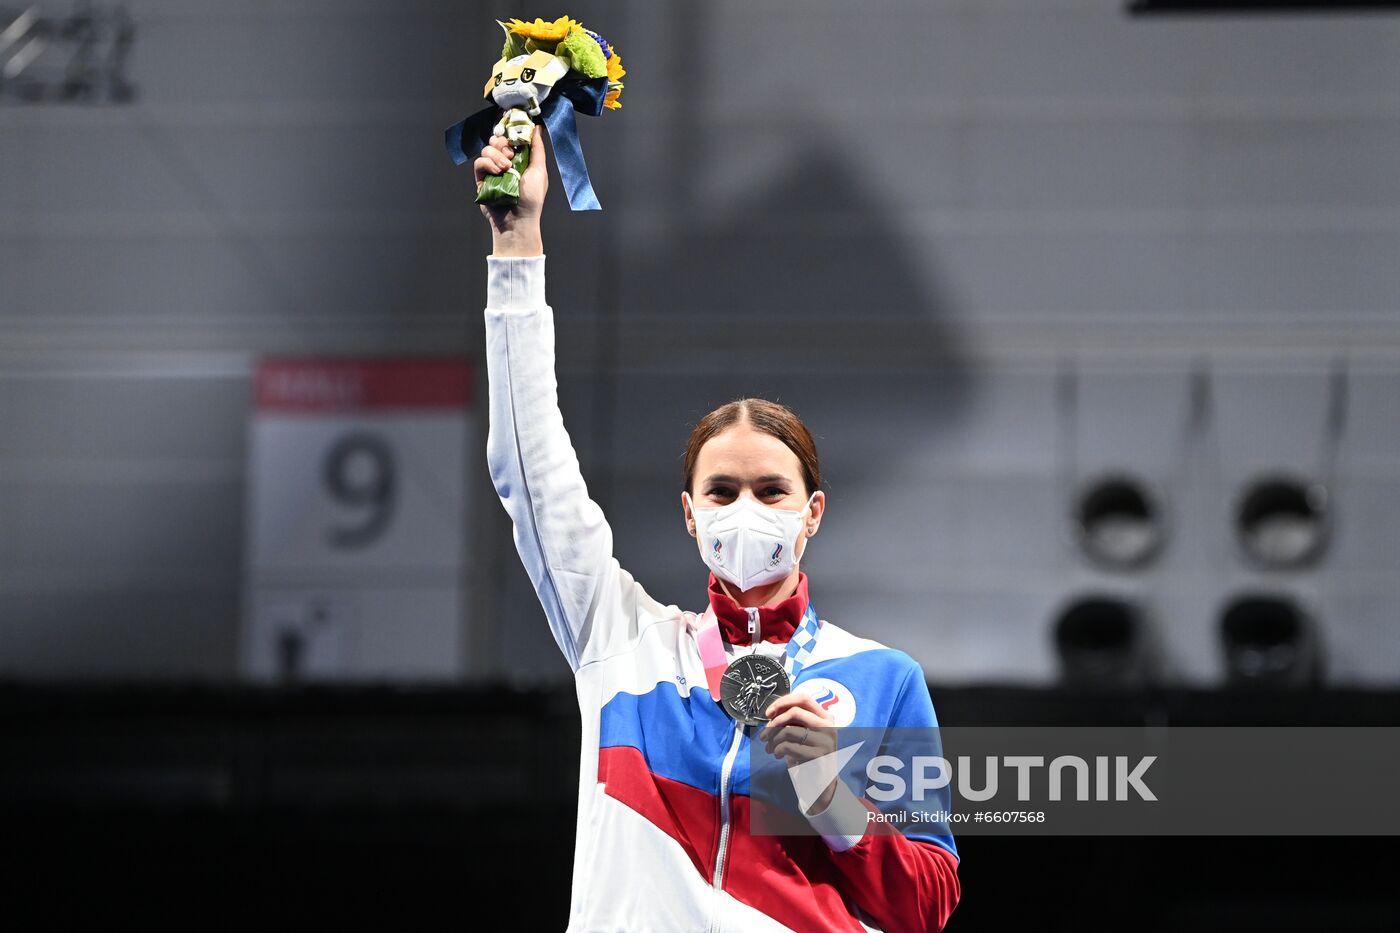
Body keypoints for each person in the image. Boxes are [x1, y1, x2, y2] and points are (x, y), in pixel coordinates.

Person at [475, 126, 960, 932]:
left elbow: (926, 905)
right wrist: (518, 243)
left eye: (771, 489)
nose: (746, 508)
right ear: (690, 513)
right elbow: (530, 473)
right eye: (723, 489)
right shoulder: (621, 641)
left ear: (812, 512)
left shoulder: (883, 678)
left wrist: (832, 792)